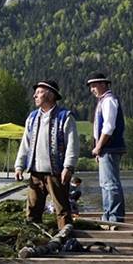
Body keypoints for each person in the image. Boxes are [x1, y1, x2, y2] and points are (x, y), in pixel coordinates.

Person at [15, 80, 79, 229]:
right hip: (35, 173)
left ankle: (65, 238)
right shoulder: (32, 118)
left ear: (50, 95)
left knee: (61, 209)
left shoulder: (65, 117)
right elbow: (25, 143)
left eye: (39, 92)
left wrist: (68, 167)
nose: (34, 96)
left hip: (56, 173)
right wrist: (19, 166)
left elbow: (72, 144)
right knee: (32, 209)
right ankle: (33, 237)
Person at [87, 72, 126, 222]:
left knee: (110, 184)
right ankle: (108, 216)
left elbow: (109, 126)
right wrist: (99, 150)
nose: (92, 89)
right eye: (91, 86)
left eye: (94, 85)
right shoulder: (103, 101)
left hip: (110, 147)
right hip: (106, 149)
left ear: (103, 84)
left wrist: (98, 147)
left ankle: (114, 217)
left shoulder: (109, 101)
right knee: (105, 184)